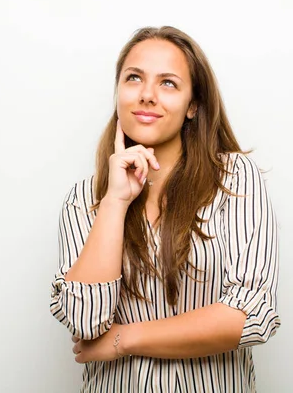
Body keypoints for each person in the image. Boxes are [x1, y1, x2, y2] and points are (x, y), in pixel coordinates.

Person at [50, 25, 280, 392]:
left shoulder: (234, 180)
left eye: (168, 83)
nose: (146, 95)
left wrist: (123, 339)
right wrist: (115, 202)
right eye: (134, 78)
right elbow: (85, 319)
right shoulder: (85, 200)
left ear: (193, 105)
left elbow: (249, 315)